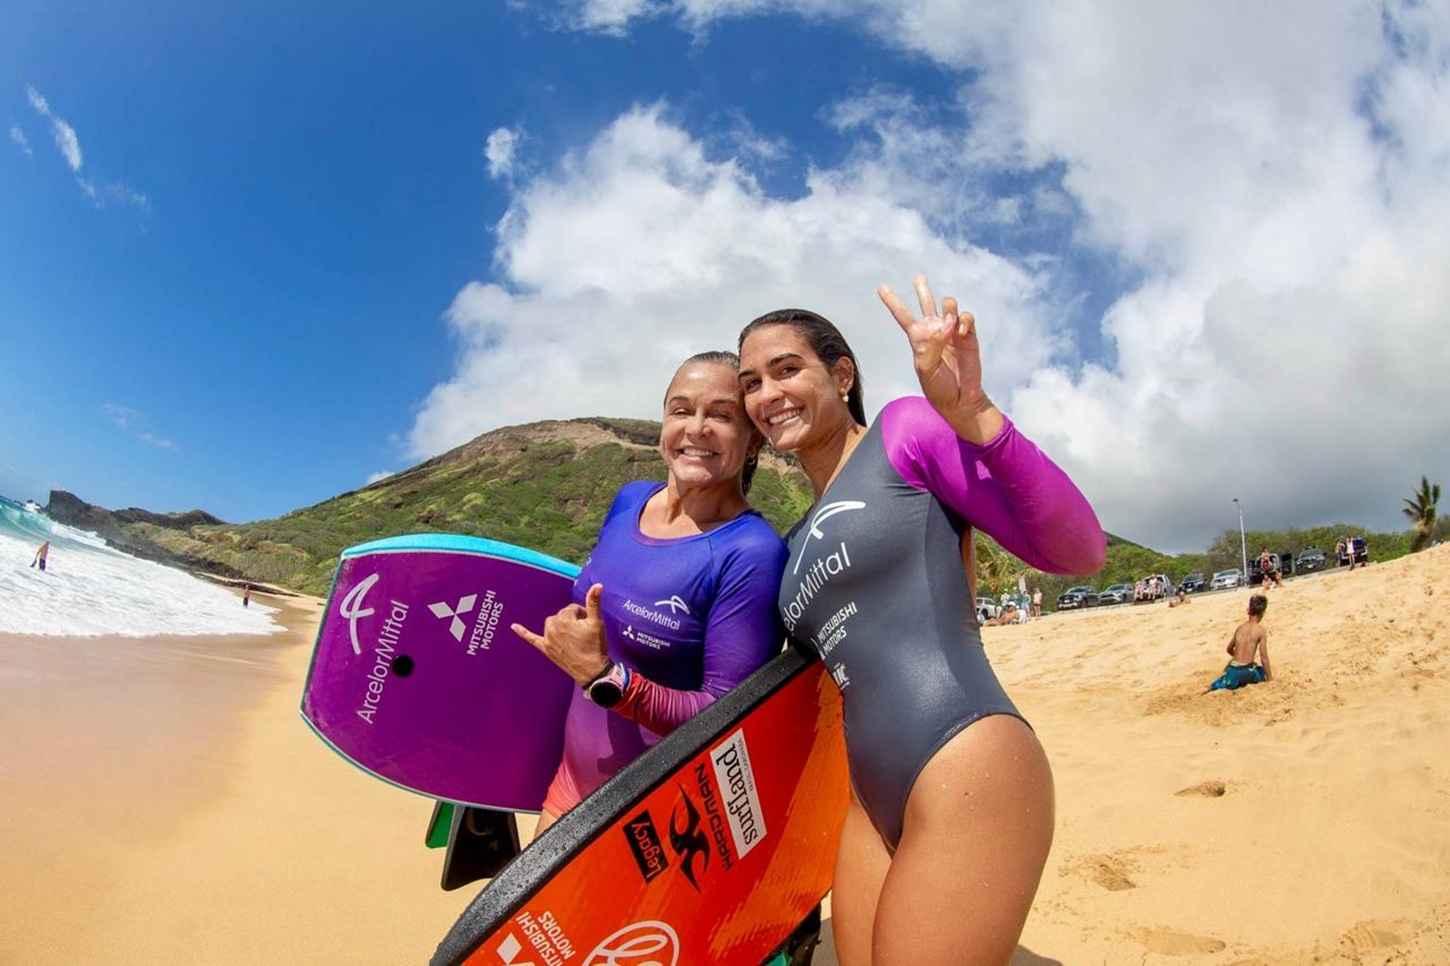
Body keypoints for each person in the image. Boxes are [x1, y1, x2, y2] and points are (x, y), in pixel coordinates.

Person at [737, 275, 1105, 966]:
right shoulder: (790, 545)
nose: (768, 394)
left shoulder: (902, 432)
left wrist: (974, 412)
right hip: (868, 801)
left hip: (963, 755)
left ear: (841, 374)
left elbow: (1079, 552)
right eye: (751, 382)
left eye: (786, 369)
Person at [510, 351, 788, 838]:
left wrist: (605, 678)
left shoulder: (751, 553)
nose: (696, 428)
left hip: (658, 824)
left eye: (721, 416)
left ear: (753, 442)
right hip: (568, 791)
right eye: (681, 410)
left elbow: (727, 718)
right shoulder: (630, 499)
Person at [1207, 594, 1272, 691]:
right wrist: (1270, 678)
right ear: (1262, 613)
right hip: (1247, 671)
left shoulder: (1240, 628)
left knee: (1220, 683)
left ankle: (1216, 686)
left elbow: (1229, 649)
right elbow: (1264, 658)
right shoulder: (1260, 630)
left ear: (1248, 610)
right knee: (1261, 671)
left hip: (1233, 670)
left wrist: (1238, 657)